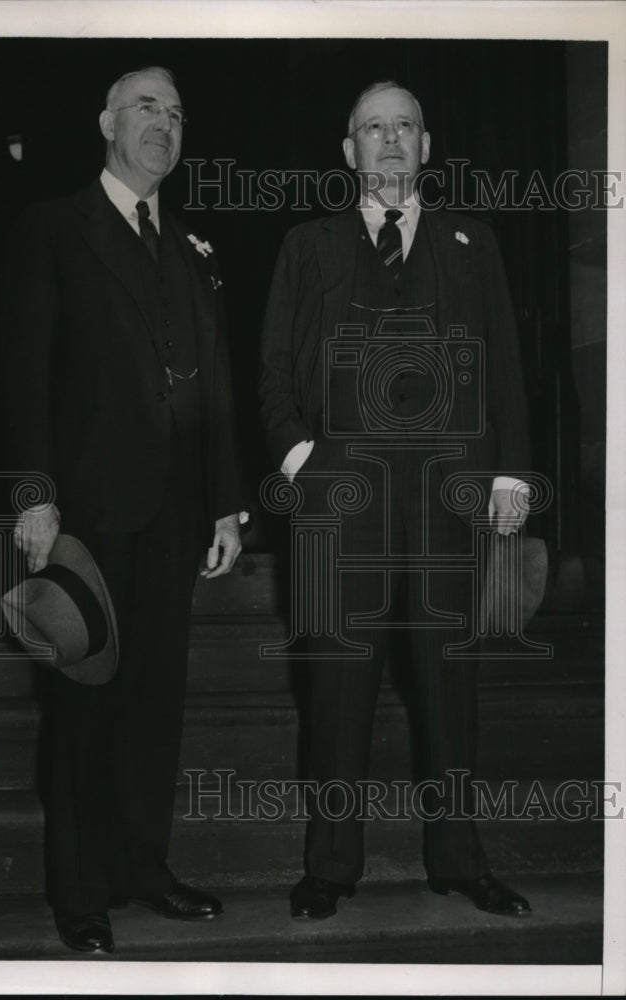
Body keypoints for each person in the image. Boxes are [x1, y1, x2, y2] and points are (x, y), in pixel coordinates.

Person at [260, 81, 533, 920]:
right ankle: (330, 866)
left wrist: (510, 474)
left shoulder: (470, 243)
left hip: (448, 499)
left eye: (402, 128)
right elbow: (272, 370)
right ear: (349, 151)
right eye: (372, 129)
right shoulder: (307, 246)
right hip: (343, 505)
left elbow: (504, 361)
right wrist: (307, 461)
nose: (388, 142)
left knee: (448, 688)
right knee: (338, 688)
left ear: (425, 148)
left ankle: (458, 858)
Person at [0, 66, 246, 953]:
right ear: (106, 122)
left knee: (153, 704)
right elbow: (26, 371)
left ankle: (146, 865)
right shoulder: (54, 227)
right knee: (83, 708)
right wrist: (35, 497)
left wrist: (224, 507)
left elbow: (214, 387)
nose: (165, 125)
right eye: (148, 107)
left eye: (178, 113)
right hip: (87, 518)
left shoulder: (189, 247)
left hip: (175, 516)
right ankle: (81, 892)